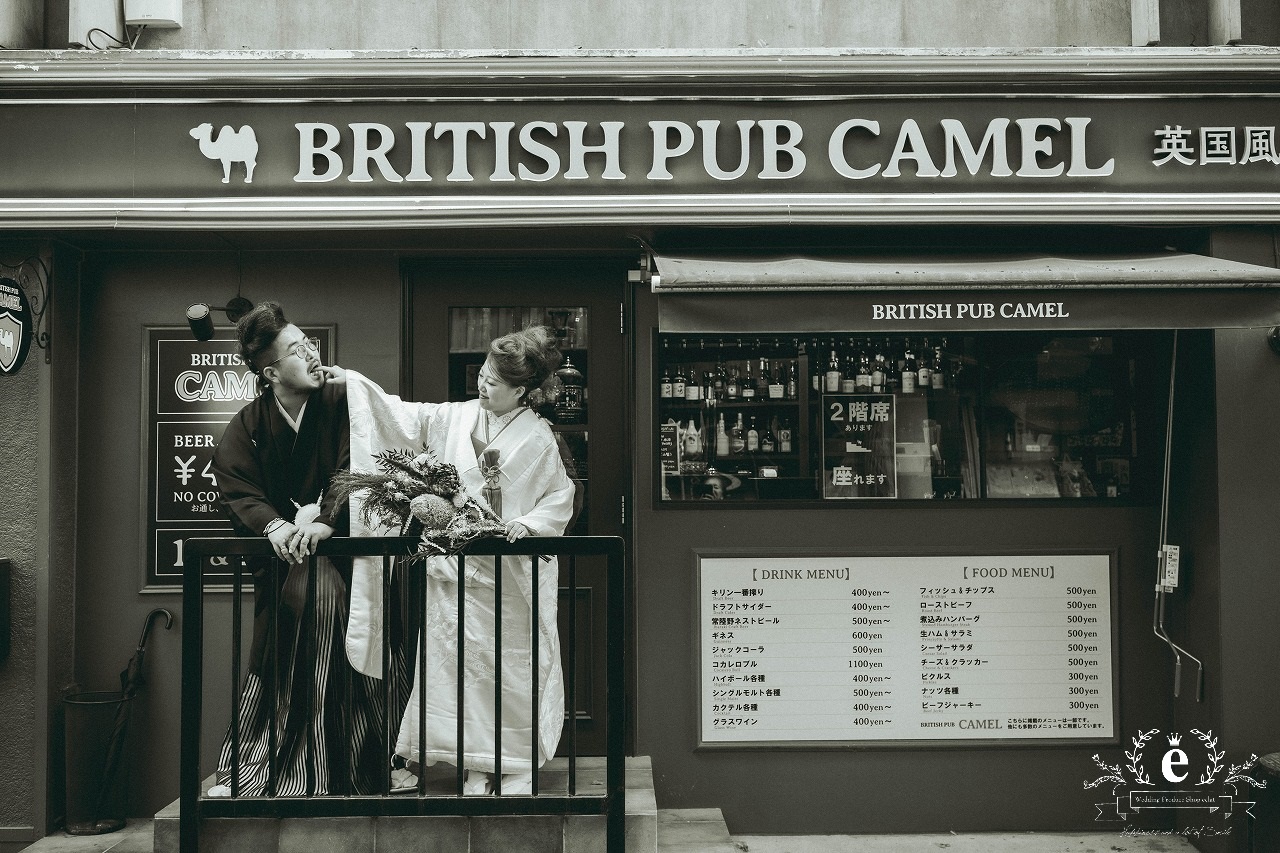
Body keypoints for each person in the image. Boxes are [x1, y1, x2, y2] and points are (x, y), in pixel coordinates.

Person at [341, 326, 576, 796]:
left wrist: (527, 525)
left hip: (509, 575)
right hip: (453, 570)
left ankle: (514, 763)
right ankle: (473, 761)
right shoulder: (456, 416)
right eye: (483, 374)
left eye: (494, 381)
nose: (482, 384)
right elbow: (400, 415)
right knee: (455, 665)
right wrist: (350, 382)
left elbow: (559, 494)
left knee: (509, 665)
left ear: (522, 392)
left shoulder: (539, 438)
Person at [206, 301, 384, 797]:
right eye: (296, 349)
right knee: (285, 652)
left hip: (343, 562)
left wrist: (326, 522)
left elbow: (359, 464)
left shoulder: (343, 403)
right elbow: (238, 488)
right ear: (270, 372)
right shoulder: (248, 425)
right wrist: (276, 528)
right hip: (286, 567)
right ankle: (258, 767)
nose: (311, 354)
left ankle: (355, 766)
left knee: (339, 632)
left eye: (310, 343)